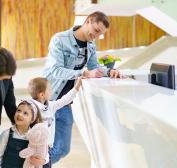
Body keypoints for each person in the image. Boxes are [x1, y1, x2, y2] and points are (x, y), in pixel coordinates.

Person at [43, 11, 121, 163]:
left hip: (65, 102)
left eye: (100, 34)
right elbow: (55, 70)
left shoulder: (90, 44)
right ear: (88, 21)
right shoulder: (60, 39)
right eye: (96, 31)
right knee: (40, 145)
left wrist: (110, 71)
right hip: (47, 98)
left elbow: (94, 67)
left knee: (62, 149)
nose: (97, 35)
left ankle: (39, 164)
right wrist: (84, 72)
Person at [27, 76, 83, 167]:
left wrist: (76, 87)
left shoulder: (51, 106)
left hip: (47, 152)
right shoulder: (30, 108)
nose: (51, 91)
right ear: (42, 95)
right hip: (35, 151)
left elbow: (65, 100)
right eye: (49, 89)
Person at [0, 100, 47, 167]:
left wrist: (44, 160)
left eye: (25, 113)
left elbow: (44, 151)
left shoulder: (36, 136)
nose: (20, 114)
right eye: (18, 110)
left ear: (32, 119)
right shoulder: (6, 134)